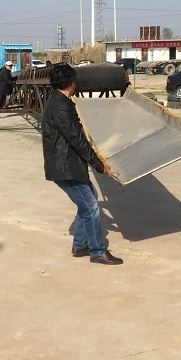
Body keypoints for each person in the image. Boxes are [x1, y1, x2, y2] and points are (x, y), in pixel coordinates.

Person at [41, 63, 123, 265]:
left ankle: (80, 245)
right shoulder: (61, 107)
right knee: (91, 207)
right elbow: (77, 140)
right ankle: (97, 251)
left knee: (89, 200)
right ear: (71, 83)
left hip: (69, 164)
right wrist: (98, 163)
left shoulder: (58, 100)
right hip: (65, 167)